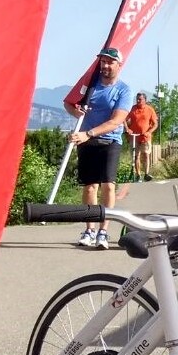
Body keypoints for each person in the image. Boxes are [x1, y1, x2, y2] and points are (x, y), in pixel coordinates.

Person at [64, 47, 132, 249]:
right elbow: (68, 102)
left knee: (108, 185)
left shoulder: (123, 90)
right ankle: (89, 229)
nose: (105, 66)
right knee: (90, 186)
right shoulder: (89, 86)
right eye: (103, 62)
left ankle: (104, 231)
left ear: (119, 65)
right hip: (86, 141)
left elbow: (116, 121)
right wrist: (77, 113)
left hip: (110, 141)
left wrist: (89, 132)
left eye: (110, 62)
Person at [124, 91, 159, 181]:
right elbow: (124, 119)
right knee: (136, 156)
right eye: (137, 99)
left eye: (140, 99)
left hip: (145, 137)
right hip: (134, 136)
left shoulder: (150, 109)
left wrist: (149, 132)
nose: (138, 101)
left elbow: (155, 124)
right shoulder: (133, 109)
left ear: (145, 100)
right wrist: (127, 129)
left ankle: (146, 173)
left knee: (146, 155)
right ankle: (138, 175)